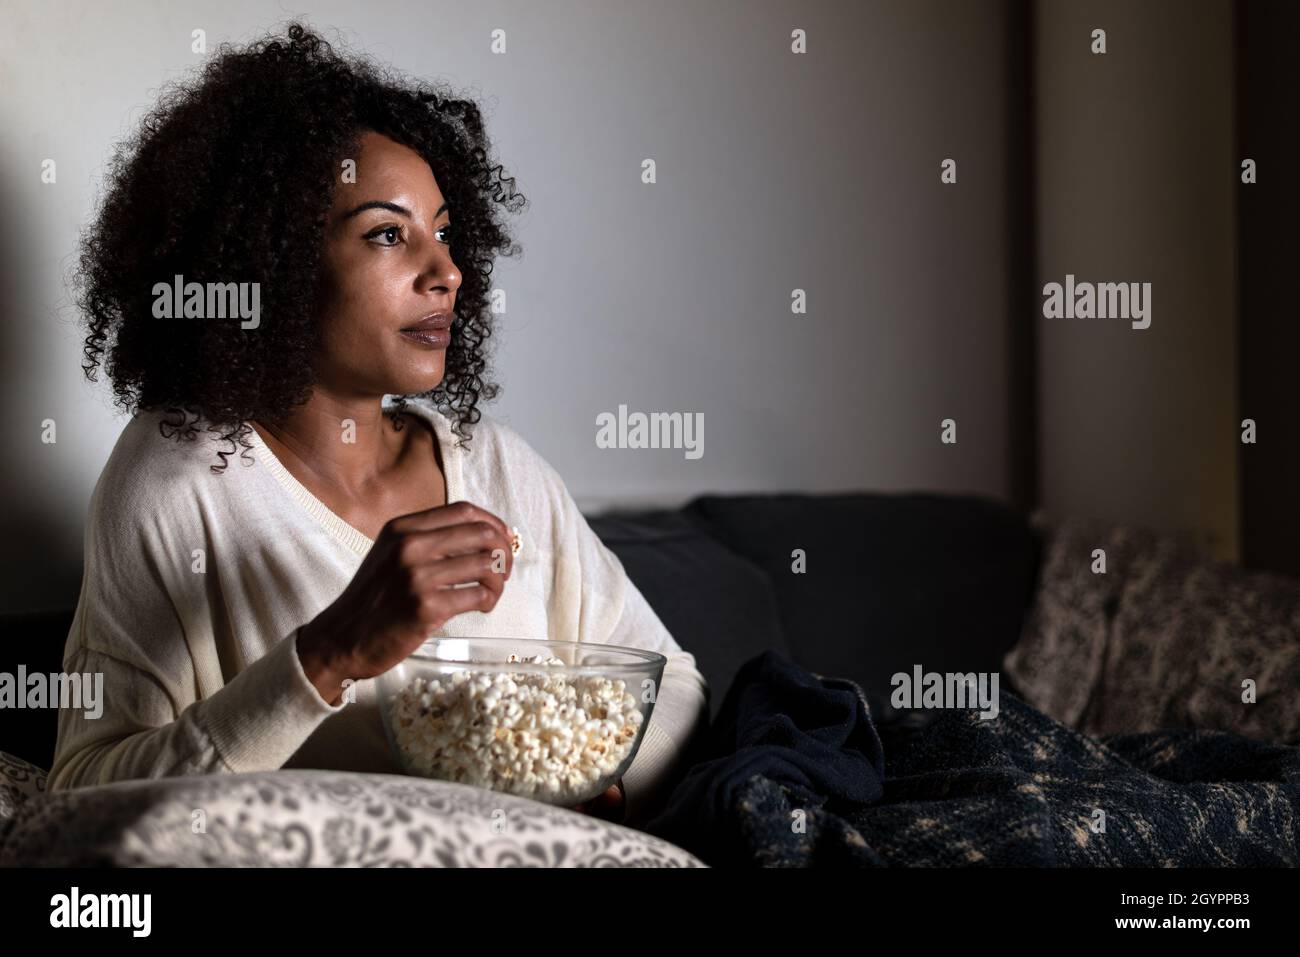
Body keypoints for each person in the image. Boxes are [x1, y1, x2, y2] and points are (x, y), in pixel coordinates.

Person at [50, 23, 709, 829]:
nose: (447, 271)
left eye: (445, 230)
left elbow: (673, 680)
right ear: (272, 264)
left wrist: (606, 779)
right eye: (388, 234)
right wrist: (325, 657)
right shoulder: (175, 480)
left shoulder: (501, 467)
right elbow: (83, 803)